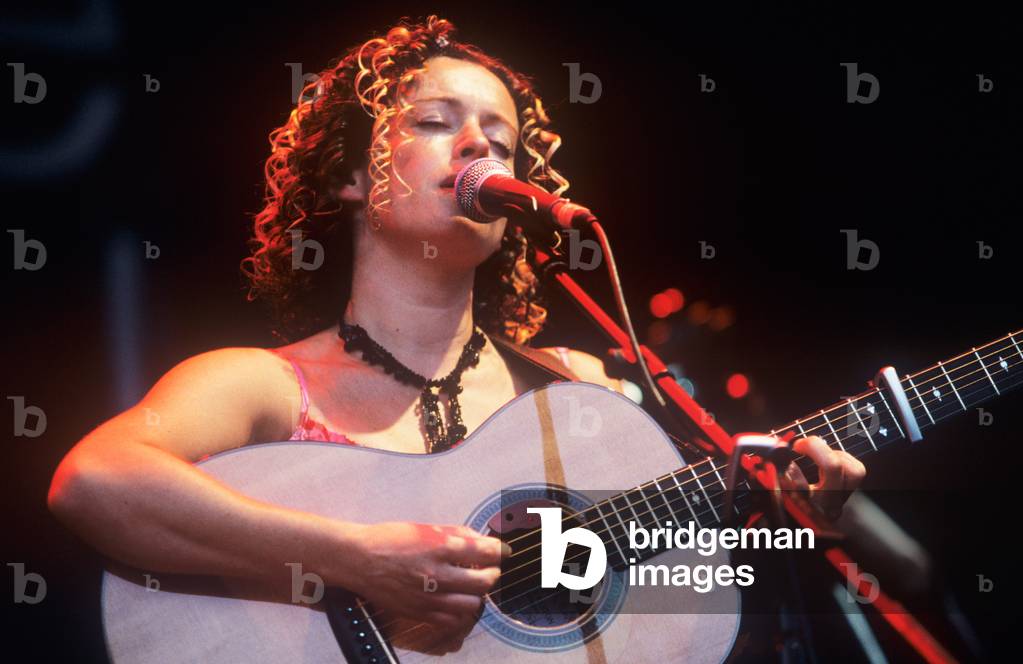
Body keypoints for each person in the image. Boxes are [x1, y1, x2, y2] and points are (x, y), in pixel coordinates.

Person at [47, 16, 865, 655]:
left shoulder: (578, 393)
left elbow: (665, 620)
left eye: (501, 142)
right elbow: (95, 482)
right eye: (437, 121)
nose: (478, 144)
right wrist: (357, 559)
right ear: (353, 175)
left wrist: (778, 528)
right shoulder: (259, 382)